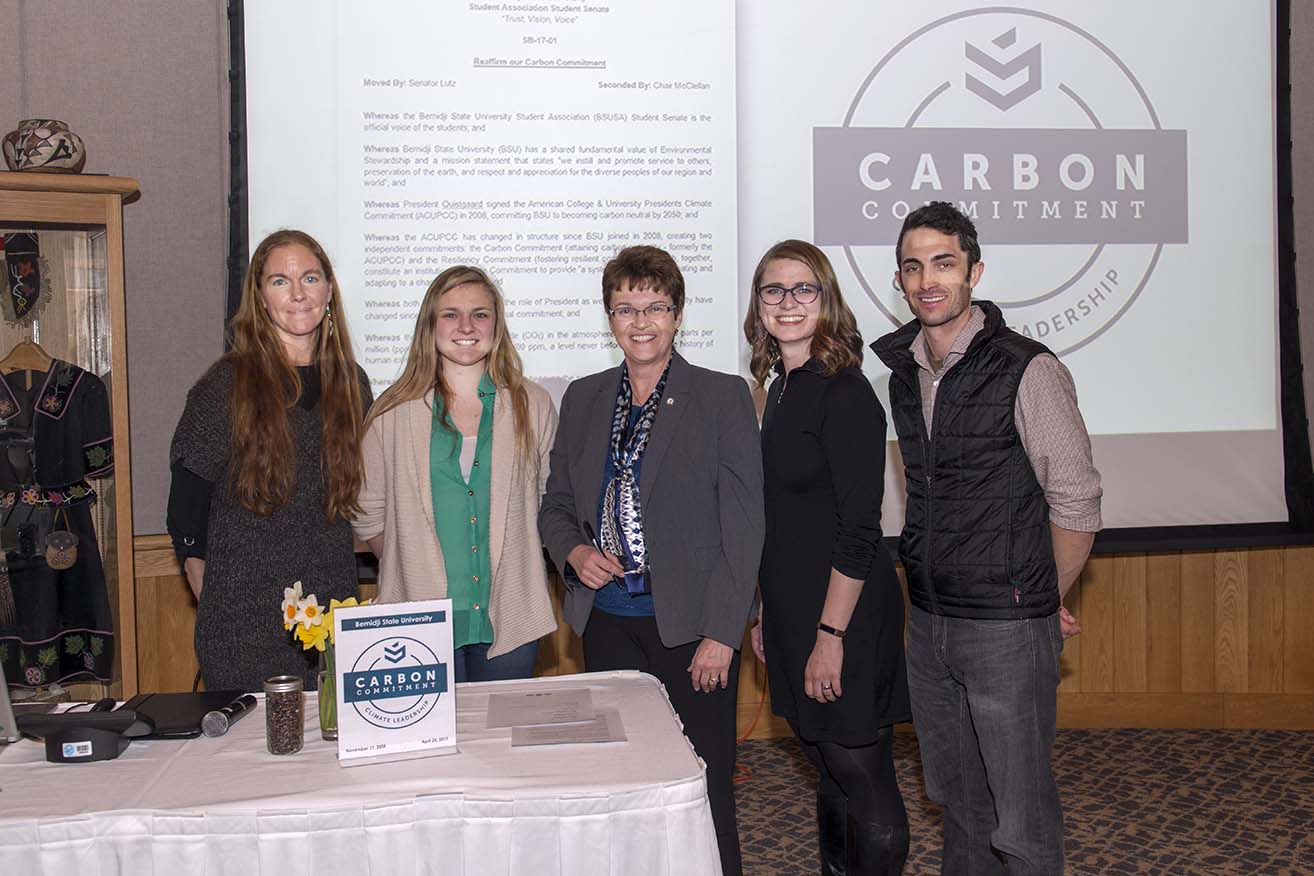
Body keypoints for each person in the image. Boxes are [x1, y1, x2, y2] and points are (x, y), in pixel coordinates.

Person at [870, 202, 1102, 876]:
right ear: (901, 280)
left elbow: (1077, 501)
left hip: (1005, 629)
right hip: (931, 622)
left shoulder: (1027, 368)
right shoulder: (904, 375)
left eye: (943, 263)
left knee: (1020, 819)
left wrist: (1038, 597)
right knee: (958, 805)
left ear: (974, 270)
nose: (927, 280)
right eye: (913, 267)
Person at [538, 245, 763, 876]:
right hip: (606, 625)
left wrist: (724, 633)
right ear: (608, 317)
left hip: (692, 632)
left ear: (678, 313)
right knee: (623, 784)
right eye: (625, 308)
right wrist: (574, 551)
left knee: (703, 783)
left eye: (655, 306)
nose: (641, 321)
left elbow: (745, 529)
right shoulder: (583, 398)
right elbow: (555, 504)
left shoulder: (722, 397)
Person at [746, 240, 911, 875]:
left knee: (861, 775)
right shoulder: (781, 389)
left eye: (803, 290)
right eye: (773, 291)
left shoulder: (844, 393)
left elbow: (859, 529)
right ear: (759, 307)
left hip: (841, 614)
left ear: (827, 300)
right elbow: (782, 521)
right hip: (792, 610)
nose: (788, 303)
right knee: (829, 768)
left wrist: (830, 635)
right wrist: (766, 611)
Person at [168, 229, 372, 692]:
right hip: (243, 617)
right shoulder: (226, 385)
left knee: (330, 748)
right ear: (260, 298)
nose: (298, 293)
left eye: (311, 278)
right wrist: (200, 573)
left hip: (331, 605)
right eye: (280, 281)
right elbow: (186, 495)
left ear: (329, 291)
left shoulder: (353, 384)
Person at [353, 266, 558, 681]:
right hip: (417, 623)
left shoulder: (532, 405)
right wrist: (413, 566)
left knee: (501, 743)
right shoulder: (390, 414)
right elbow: (368, 515)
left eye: (480, 314)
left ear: (496, 325)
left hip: (511, 619)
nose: (466, 326)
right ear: (430, 325)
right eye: (450, 314)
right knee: (433, 746)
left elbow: (543, 501)